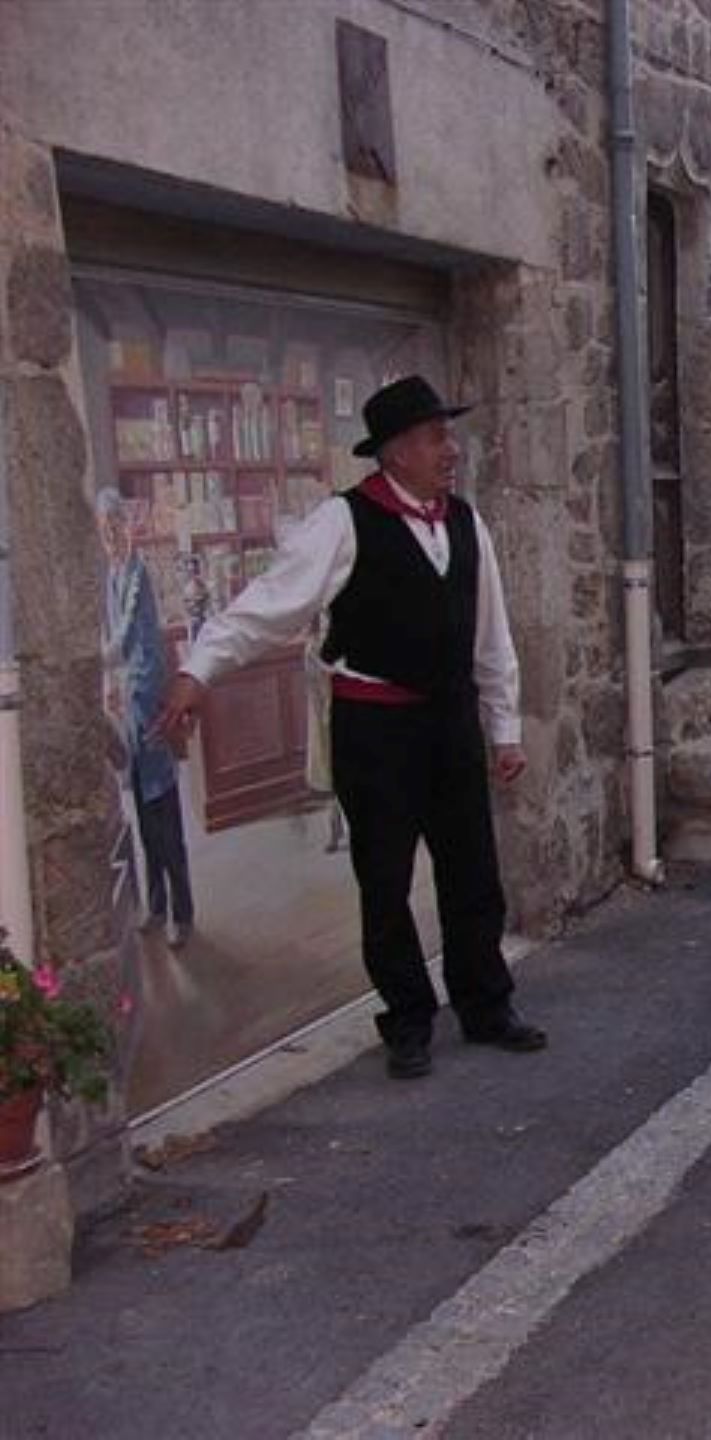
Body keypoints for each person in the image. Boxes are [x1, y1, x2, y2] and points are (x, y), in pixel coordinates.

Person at [154, 375, 545, 1080]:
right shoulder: (343, 520)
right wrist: (198, 669)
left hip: (451, 720)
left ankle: (487, 1004)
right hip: (377, 727)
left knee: (473, 871)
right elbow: (270, 604)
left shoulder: (466, 522)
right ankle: (409, 1020)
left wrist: (504, 729)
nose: (450, 450)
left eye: (448, 436)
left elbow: (492, 636)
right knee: (385, 880)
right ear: (395, 452)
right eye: (436, 437)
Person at [96, 489, 194, 949]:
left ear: (125, 526)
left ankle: (182, 913)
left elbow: (120, 640)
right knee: (142, 812)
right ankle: (156, 905)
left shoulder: (136, 574)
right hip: (130, 708)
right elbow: (112, 637)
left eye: (115, 526)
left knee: (164, 813)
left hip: (151, 703)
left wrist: (94, 662)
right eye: (104, 529)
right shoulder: (112, 574)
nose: (110, 536)